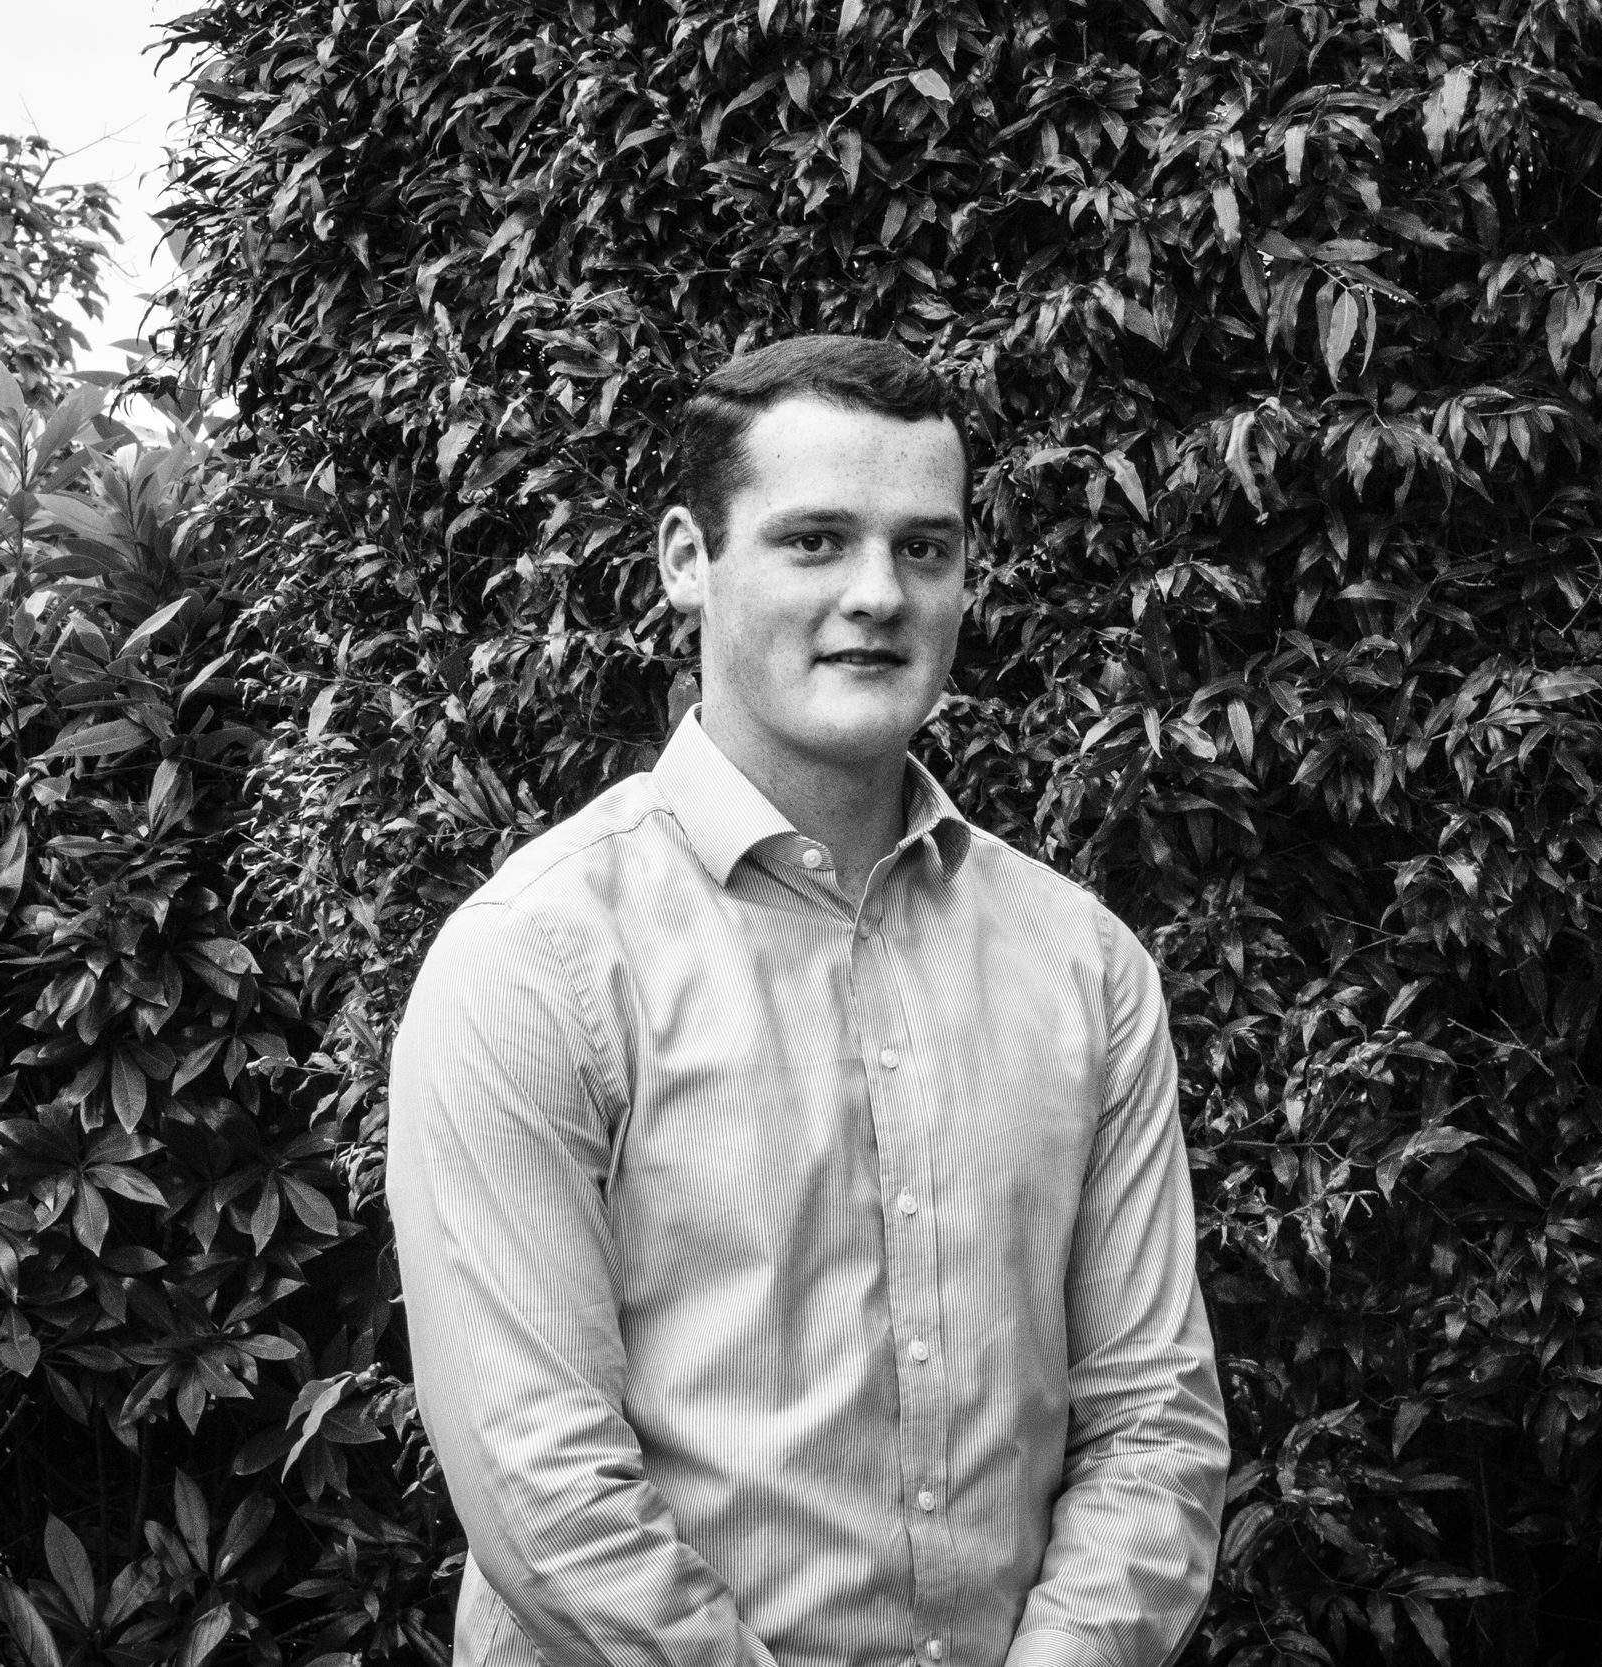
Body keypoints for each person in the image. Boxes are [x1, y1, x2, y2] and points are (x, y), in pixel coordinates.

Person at [386, 335, 1228, 1667]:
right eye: (817, 540)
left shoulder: (1086, 966)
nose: (878, 594)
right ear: (686, 559)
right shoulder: (536, 964)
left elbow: (1152, 1417)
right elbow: (540, 1480)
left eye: (927, 548)